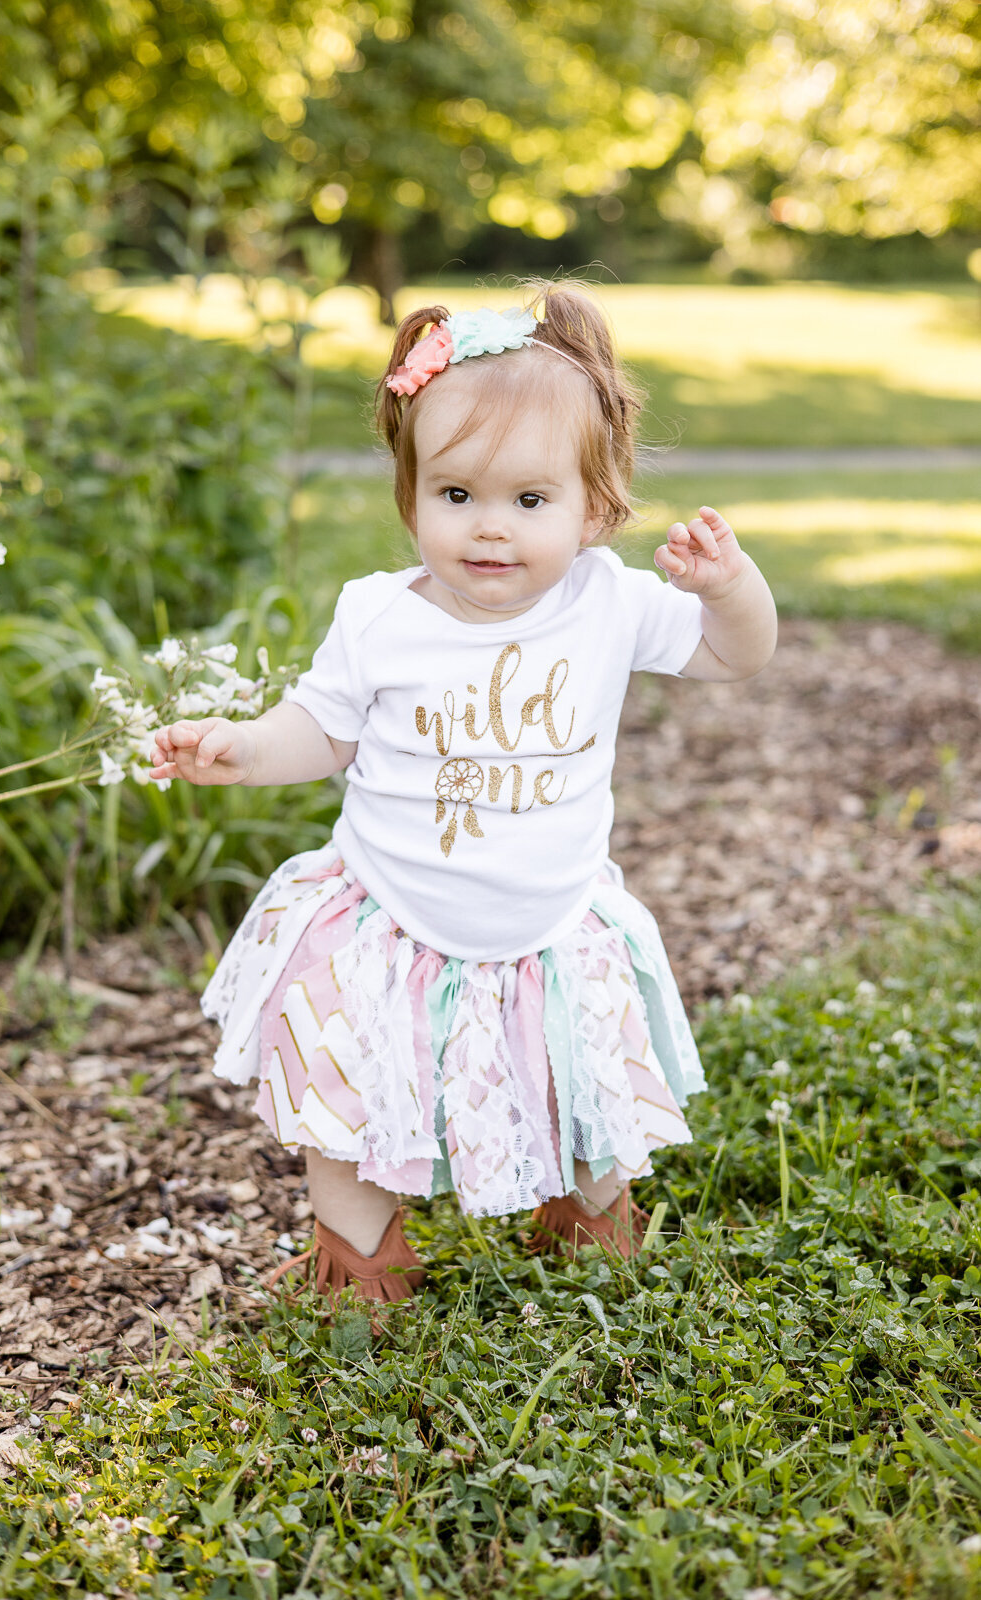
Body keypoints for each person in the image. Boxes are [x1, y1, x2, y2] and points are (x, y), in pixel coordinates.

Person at [150, 282, 777, 1304]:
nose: (490, 529)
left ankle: (583, 1218)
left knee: (572, 1085)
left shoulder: (607, 602)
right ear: (411, 497)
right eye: (455, 496)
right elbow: (321, 729)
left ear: (593, 507)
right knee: (344, 1101)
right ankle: (358, 1261)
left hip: (548, 918)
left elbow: (731, 656)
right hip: (388, 918)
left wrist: (728, 588)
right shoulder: (378, 617)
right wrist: (240, 746)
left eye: (529, 502)